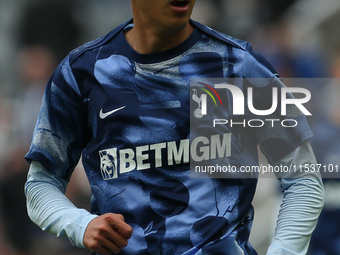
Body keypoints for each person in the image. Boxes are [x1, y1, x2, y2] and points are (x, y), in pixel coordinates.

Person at [24, 1, 324, 254]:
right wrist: (81, 224)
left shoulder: (239, 67)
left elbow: (303, 181)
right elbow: (40, 185)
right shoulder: (81, 74)